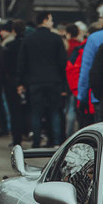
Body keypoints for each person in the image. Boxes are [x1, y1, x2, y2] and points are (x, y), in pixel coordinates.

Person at [17, 11, 70, 147]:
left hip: (34, 80)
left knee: (36, 112)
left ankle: (36, 141)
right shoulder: (56, 39)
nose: (52, 22)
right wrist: (64, 84)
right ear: (45, 20)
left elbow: (22, 62)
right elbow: (62, 63)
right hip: (54, 80)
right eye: (51, 20)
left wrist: (21, 82)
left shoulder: (29, 39)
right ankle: (56, 141)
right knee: (54, 111)